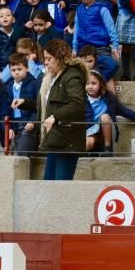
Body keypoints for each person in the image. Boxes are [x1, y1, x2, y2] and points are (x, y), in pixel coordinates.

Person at [39, 38, 88, 180]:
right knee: (49, 183)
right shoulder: (54, 77)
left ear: (59, 58)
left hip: (67, 140)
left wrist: (55, 116)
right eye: (45, 59)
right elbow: (52, 104)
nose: (46, 62)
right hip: (55, 139)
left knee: (61, 185)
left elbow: (77, 104)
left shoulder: (72, 75)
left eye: (49, 58)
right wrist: (25, 103)